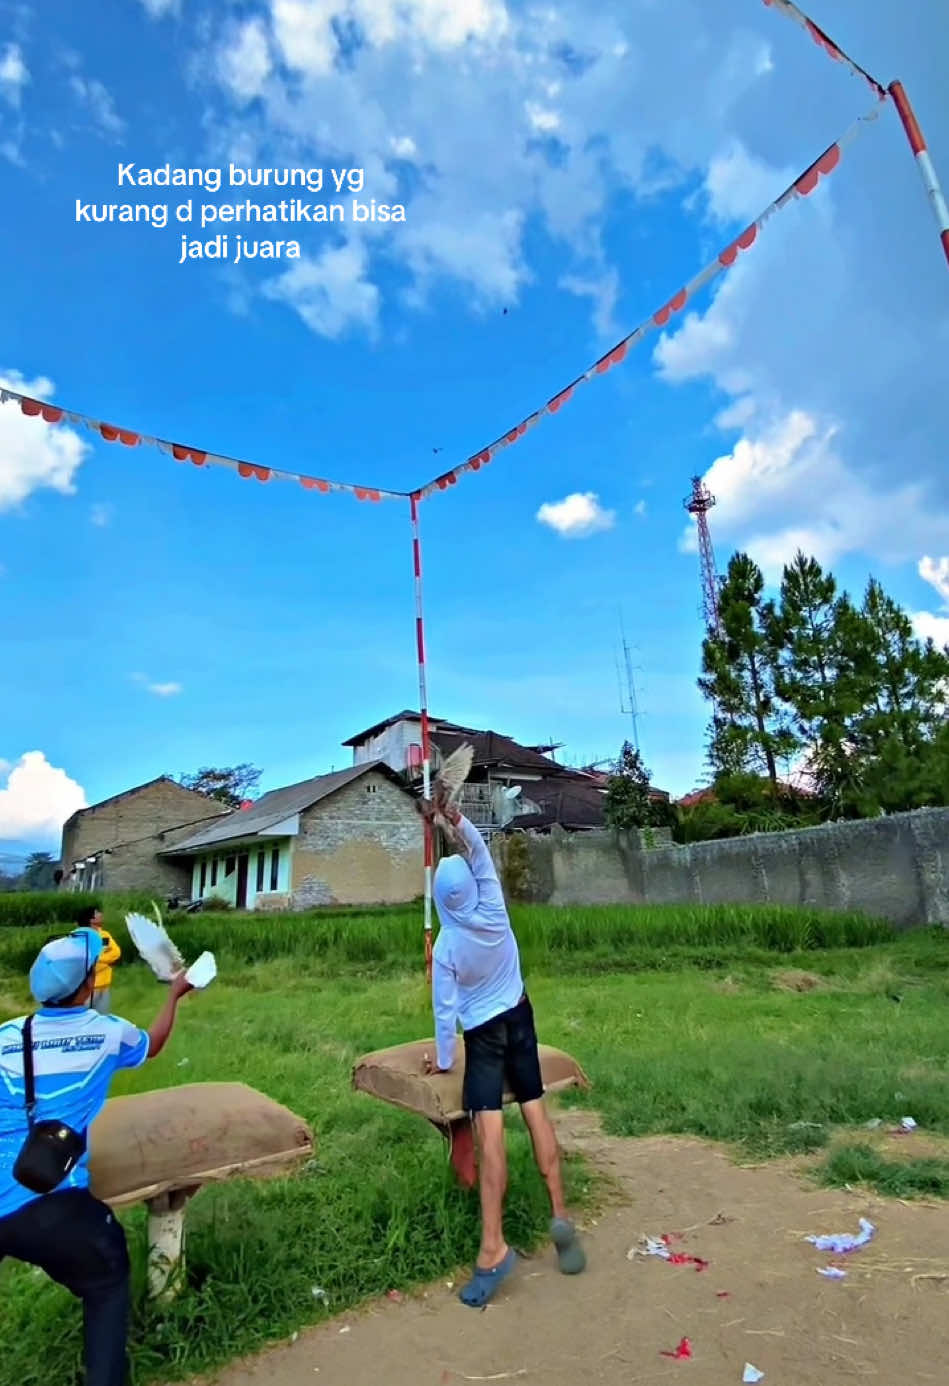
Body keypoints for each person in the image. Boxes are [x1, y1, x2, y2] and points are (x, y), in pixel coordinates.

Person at [0, 926, 195, 1386]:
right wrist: (174, 996)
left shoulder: (8, 1034)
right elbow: (154, 1043)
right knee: (106, 1280)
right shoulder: (106, 1033)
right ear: (89, 986)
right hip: (49, 1203)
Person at [423, 798, 585, 1307]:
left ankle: (492, 1248)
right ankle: (560, 1215)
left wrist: (443, 1063)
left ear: (440, 901)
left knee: (491, 1135)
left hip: (485, 1037)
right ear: (472, 886)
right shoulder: (492, 901)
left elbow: (445, 1018)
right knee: (535, 1111)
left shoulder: (447, 947)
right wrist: (452, 817)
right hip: (521, 1016)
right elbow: (473, 849)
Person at [76, 906, 122, 1015]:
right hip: (87, 988)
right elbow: (86, 960)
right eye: (97, 913)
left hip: (104, 986)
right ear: (90, 919)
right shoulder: (81, 936)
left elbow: (116, 953)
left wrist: (100, 960)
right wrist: (106, 962)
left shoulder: (105, 935)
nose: (101, 914)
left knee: (103, 1018)